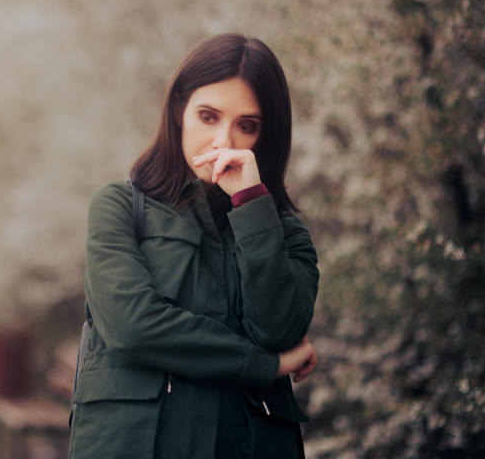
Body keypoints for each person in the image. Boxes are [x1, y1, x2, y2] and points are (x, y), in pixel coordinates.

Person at [68, 34, 319, 459]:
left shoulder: (286, 235)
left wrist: (252, 206)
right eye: (208, 116)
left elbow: (279, 330)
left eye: (247, 125)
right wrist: (265, 366)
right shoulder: (118, 208)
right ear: (178, 111)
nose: (225, 140)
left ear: (266, 137)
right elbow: (134, 327)